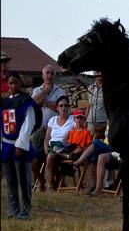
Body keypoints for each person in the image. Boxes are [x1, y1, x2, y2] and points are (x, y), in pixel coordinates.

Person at [2, 72, 39, 219]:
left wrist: (20, 144)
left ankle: (25, 211)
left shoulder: (26, 101)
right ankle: (13, 209)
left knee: (23, 180)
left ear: (20, 84)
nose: (12, 86)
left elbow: (28, 123)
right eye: (10, 83)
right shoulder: (3, 103)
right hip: (6, 145)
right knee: (10, 180)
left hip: (19, 146)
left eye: (15, 83)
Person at [40, 96, 76, 190]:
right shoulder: (52, 120)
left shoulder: (73, 119)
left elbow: (78, 132)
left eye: (65, 105)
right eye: (61, 105)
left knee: (51, 156)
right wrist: (45, 147)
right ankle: (45, 182)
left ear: (68, 107)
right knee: (37, 156)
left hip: (66, 146)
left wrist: (69, 133)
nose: (63, 107)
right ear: (57, 108)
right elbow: (47, 138)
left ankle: (50, 184)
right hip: (51, 146)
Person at [84, 72, 107, 136]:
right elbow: (88, 105)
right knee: (89, 142)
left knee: (101, 143)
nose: (99, 73)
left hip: (103, 122)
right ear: (94, 73)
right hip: (90, 122)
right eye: (97, 71)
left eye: (101, 71)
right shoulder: (90, 88)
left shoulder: (108, 88)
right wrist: (85, 120)